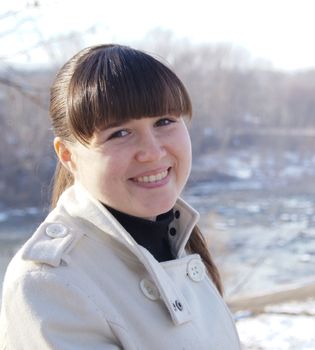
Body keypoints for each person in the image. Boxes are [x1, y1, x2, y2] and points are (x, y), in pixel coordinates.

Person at [0, 44, 241, 349]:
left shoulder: (176, 240)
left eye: (164, 122)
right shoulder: (48, 284)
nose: (152, 152)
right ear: (68, 156)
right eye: (119, 133)